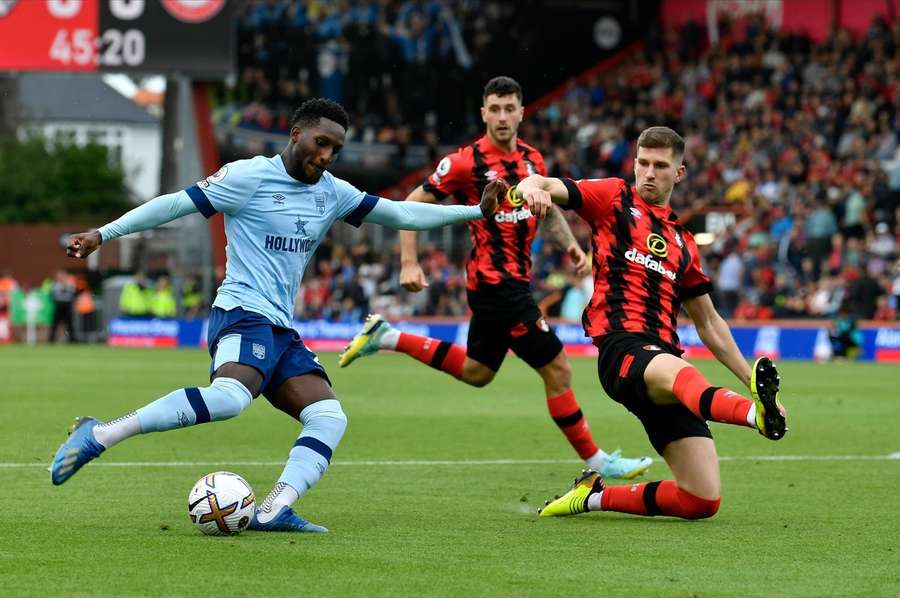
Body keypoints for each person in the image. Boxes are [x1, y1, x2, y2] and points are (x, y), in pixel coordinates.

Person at [50, 98, 505, 533]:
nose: (326, 156)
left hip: (281, 328)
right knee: (229, 399)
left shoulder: (333, 193)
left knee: (329, 416)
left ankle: (274, 509)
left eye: (336, 150)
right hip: (241, 312)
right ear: (296, 135)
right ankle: (102, 434)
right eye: (320, 144)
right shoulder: (247, 177)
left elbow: (401, 213)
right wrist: (104, 234)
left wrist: (476, 212)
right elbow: (175, 204)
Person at [338, 76, 652, 480]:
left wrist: (571, 245)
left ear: (521, 112)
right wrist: (409, 262)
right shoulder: (464, 163)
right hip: (495, 284)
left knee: (478, 372)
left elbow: (549, 207)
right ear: (483, 113)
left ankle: (387, 336)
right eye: (495, 109)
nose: (502, 117)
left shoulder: (532, 160)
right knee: (558, 369)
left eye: (510, 109)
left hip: (510, 284)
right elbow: (410, 205)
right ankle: (598, 462)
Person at [511, 126, 788, 521]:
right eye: (643, 163)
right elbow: (540, 181)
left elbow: (709, 322)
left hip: (660, 363)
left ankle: (591, 497)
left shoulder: (683, 242)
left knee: (701, 500)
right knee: (685, 376)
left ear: (679, 173)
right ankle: (753, 416)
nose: (649, 172)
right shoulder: (611, 197)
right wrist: (533, 189)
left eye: (660, 165)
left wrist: (751, 381)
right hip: (622, 350)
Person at [48, 270, 77, 343]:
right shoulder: (55, 285)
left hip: (67, 306)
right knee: (55, 324)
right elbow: (52, 295)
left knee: (70, 325)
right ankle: (51, 340)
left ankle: (72, 340)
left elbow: (73, 295)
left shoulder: (70, 285)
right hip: (58, 306)